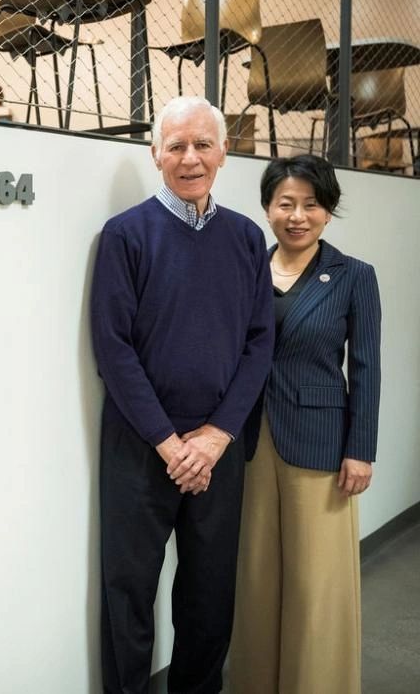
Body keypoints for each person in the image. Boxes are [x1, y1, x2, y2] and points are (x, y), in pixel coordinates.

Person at [90, 95, 274, 694]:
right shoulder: (125, 235)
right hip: (141, 446)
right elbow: (113, 350)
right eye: (176, 146)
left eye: (202, 144)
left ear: (224, 151)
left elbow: (258, 343)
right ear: (155, 154)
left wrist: (216, 436)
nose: (189, 158)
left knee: (209, 593)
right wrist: (172, 445)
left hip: (219, 449)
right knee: (129, 592)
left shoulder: (247, 239)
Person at [230, 154, 381, 694]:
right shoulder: (245, 268)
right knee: (255, 575)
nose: (297, 216)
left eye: (310, 205)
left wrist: (361, 449)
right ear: (267, 209)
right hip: (246, 440)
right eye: (285, 204)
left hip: (321, 442)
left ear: (328, 210)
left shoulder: (353, 276)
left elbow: (366, 367)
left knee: (317, 581)